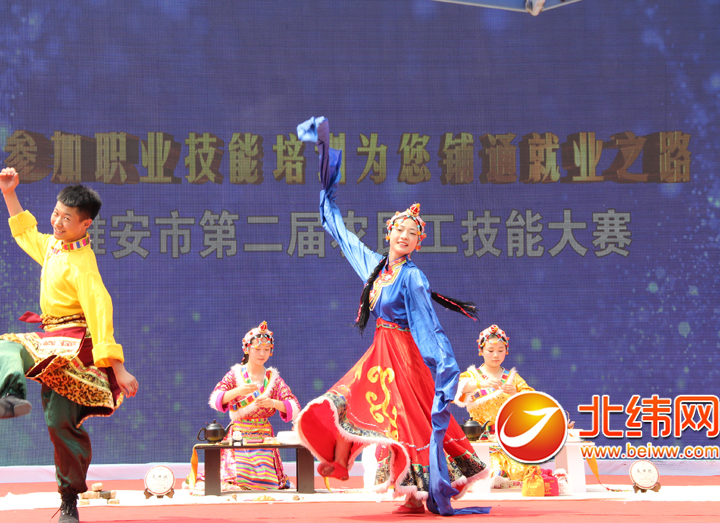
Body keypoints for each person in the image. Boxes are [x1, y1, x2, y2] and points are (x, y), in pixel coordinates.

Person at [293, 117, 489, 516]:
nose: (403, 236)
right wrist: (327, 199)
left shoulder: (413, 277)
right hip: (381, 352)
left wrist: (444, 365)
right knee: (351, 400)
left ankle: (416, 492)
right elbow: (344, 237)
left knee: (405, 420)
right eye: (399, 229)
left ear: (418, 243)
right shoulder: (375, 267)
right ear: (388, 234)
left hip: (403, 355)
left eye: (411, 233)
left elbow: (428, 326)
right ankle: (341, 461)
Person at [0, 167, 138, 523]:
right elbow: (26, 233)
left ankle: (69, 500)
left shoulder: (83, 265)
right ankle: (11, 395)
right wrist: (9, 193)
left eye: (67, 218)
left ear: (85, 224)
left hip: (74, 347)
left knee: (60, 423)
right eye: (56, 213)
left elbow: (100, 313)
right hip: (49, 337)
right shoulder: (53, 246)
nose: (57, 222)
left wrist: (118, 368)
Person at [206, 321, 301, 490]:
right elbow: (216, 399)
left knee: (267, 483)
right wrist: (238, 391)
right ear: (247, 349)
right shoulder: (234, 375)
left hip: (264, 437)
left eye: (266, 349)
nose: (262, 354)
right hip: (238, 435)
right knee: (234, 481)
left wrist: (273, 403)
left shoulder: (274, 379)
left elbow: (293, 407)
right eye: (257, 349)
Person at [453, 324, 534, 488]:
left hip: (508, 437)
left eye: (500, 350)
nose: (496, 355)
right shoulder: (472, 376)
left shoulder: (513, 377)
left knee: (521, 470)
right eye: (490, 350)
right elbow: (455, 391)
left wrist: (515, 394)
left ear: (506, 351)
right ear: (481, 351)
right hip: (479, 438)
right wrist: (480, 384)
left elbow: (532, 400)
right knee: (485, 467)